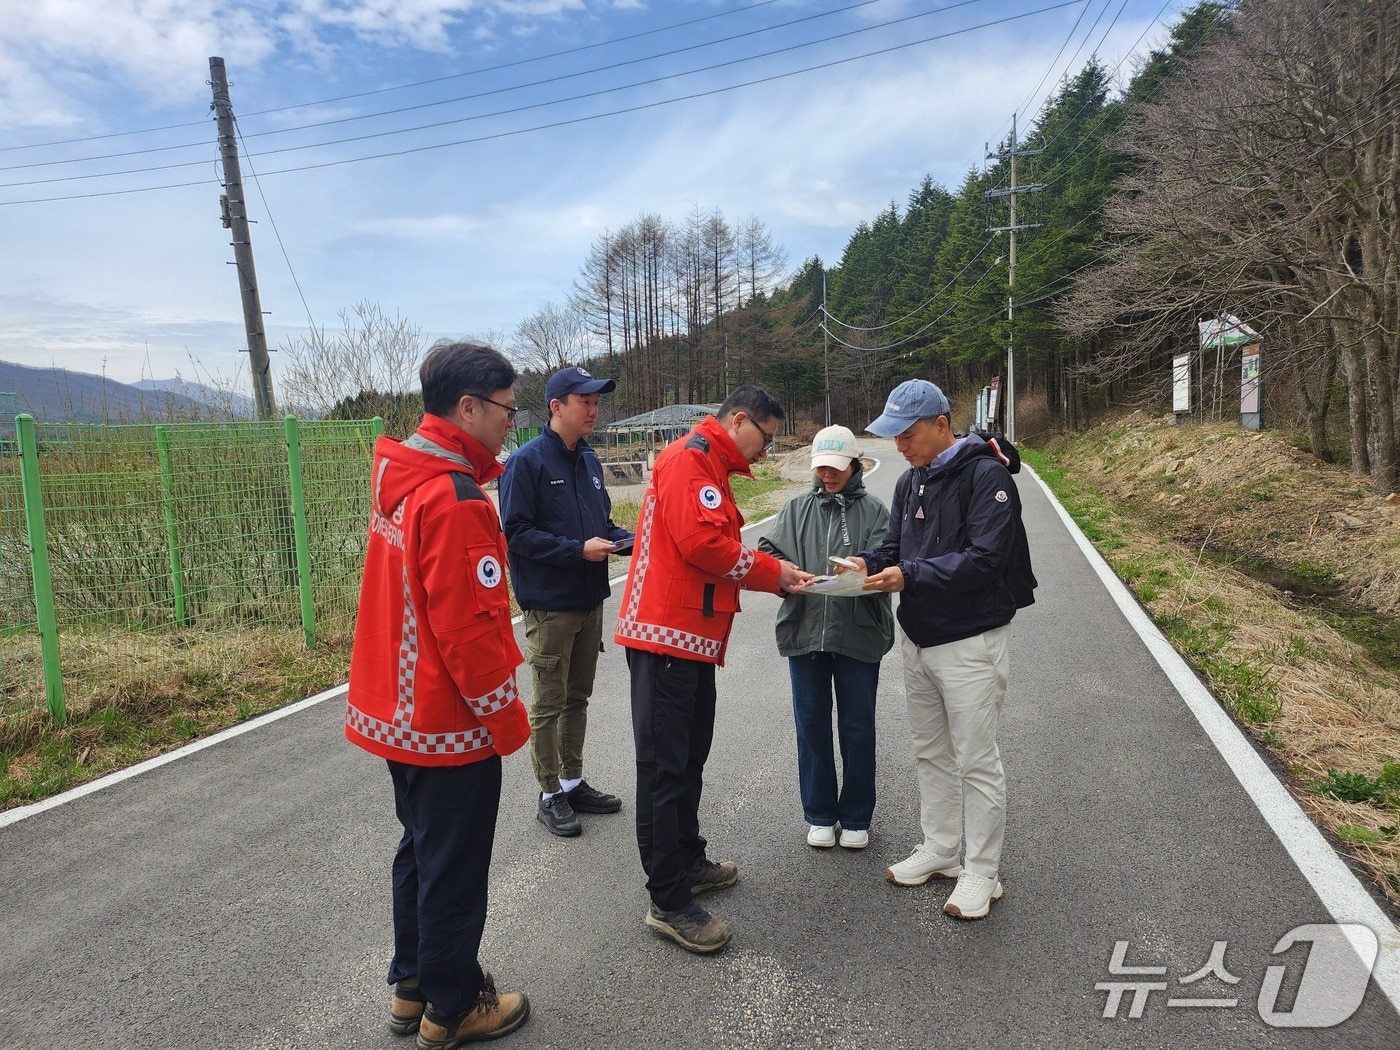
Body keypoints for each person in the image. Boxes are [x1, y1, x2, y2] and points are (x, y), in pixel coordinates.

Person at [345, 339, 532, 1048]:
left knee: (421, 852)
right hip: (447, 722)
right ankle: (455, 1008)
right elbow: (473, 635)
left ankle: (414, 985)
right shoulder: (455, 499)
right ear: (468, 406)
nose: (511, 422)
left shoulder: (404, 480)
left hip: (400, 717)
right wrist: (510, 724)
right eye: (508, 409)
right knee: (453, 868)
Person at [615, 385, 814, 954]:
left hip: (691, 642)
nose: (765, 453)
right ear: (741, 420)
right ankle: (669, 898)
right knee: (664, 768)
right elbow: (705, 545)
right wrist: (774, 572)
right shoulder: (688, 460)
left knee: (687, 759)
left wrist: (774, 572)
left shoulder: (710, 466)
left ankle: (687, 858)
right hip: (665, 640)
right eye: (766, 439)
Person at [842, 378, 1022, 922]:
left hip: (969, 640)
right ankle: (941, 849)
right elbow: (896, 546)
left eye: (909, 434)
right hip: (917, 637)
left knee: (976, 760)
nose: (900, 446)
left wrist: (908, 574)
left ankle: (982, 872)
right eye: (894, 436)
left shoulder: (987, 476)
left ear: (942, 424)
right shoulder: (912, 480)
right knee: (930, 751)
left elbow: (986, 559)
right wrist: (869, 564)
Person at [499, 365, 634, 838]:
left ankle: (573, 781)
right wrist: (576, 550)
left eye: (597, 402)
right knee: (549, 702)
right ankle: (548, 792)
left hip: (589, 598)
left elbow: (604, 525)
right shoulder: (527, 462)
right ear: (557, 407)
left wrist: (634, 540)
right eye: (585, 402)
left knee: (578, 696)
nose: (594, 410)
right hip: (551, 604)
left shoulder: (589, 462)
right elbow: (515, 533)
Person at [758, 425, 894, 851]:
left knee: (858, 728)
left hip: (859, 630)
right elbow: (768, 551)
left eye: (836, 468)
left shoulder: (874, 510)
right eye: (820, 468)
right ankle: (818, 812)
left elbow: (891, 557)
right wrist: (786, 576)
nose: (827, 476)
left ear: (854, 465)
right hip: (805, 627)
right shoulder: (796, 508)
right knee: (811, 725)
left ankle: (856, 816)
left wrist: (863, 570)